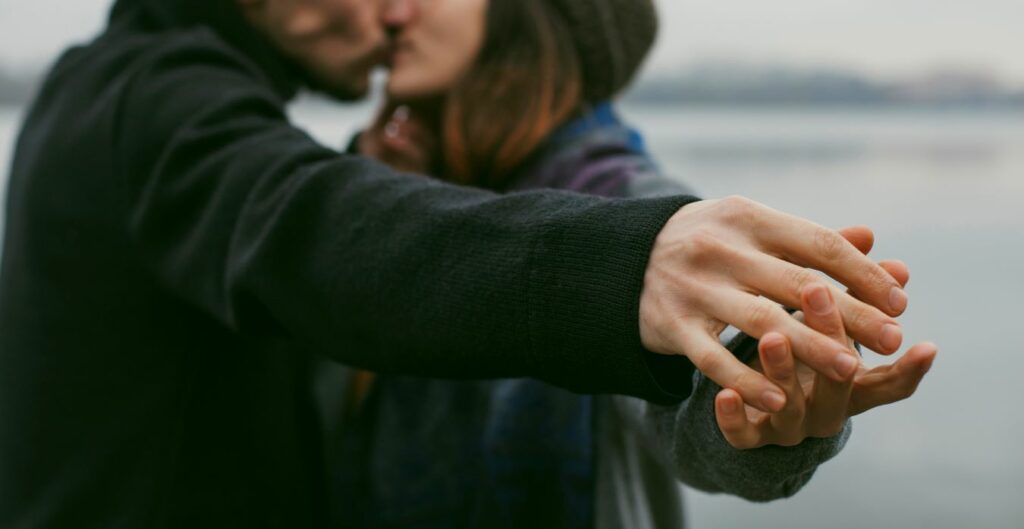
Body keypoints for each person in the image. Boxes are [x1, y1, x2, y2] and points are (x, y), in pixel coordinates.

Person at [0, 0, 921, 526]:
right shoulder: (172, 107)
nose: (392, 11)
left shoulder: (606, 185)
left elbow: (691, 388)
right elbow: (322, 230)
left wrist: (767, 407)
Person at [316, 0, 936, 526]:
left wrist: (760, 383)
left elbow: (688, 395)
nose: (392, 13)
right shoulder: (380, 176)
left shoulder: (622, 201)